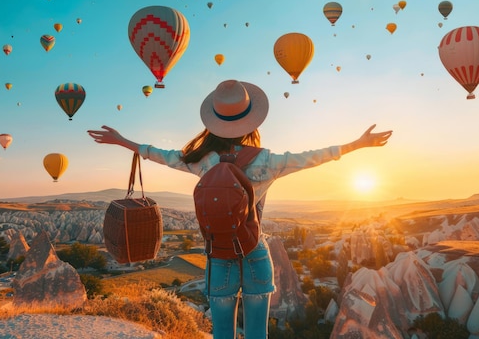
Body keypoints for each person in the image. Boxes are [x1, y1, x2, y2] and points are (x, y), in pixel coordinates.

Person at [87, 79, 392, 339]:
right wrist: (357, 144)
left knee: (222, 332)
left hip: (218, 255)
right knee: (257, 333)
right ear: (251, 120)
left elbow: (161, 155)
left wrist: (122, 141)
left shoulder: (201, 159)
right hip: (255, 251)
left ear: (214, 122)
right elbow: (313, 157)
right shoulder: (268, 161)